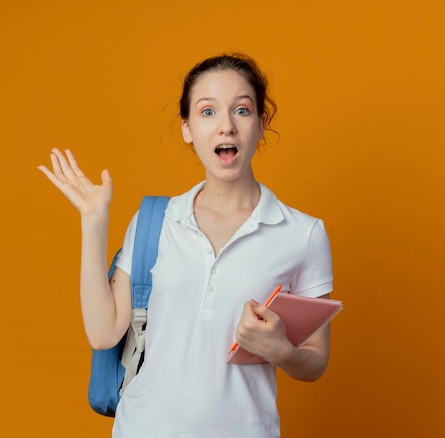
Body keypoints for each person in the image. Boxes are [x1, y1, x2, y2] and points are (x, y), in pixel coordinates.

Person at [38, 53, 333, 437]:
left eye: (241, 111)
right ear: (187, 129)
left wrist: (280, 349)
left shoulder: (302, 234)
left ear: (262, 124)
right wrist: (93, 222)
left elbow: (315, 362)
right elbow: (103, 333)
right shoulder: (154, 222)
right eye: (207, 112)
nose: (225, 126)